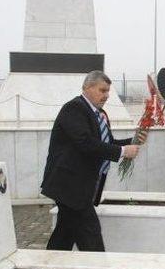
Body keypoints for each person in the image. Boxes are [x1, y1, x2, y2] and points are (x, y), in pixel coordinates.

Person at [41, 71, 144, 251]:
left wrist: (132, 141)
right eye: (102, 90)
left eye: (107, 92)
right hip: (70, 185)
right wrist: (122, 151)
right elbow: (85, 143)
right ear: (87, 88)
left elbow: (106, 143)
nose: (106, 96)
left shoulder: (100, 114)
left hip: (80, 186)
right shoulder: (74, 109)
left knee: (65, 233)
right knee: (90, 233)